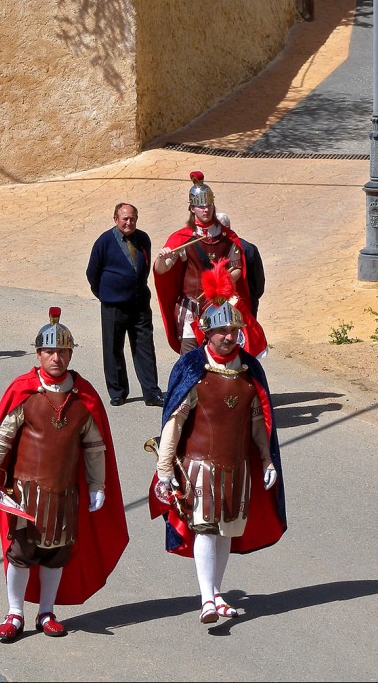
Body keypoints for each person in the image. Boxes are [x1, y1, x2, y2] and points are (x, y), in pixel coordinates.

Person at [147, 259, 286, 624]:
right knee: (206, 529)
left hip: (238, 466)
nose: (228, 336)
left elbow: (260, 421)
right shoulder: (193, 367)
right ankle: (207, 598)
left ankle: (217, 593)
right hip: (199, 467)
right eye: (221, 330)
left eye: (233, 330)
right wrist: (164, 469)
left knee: (226, 531)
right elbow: (174, 421)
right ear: (207, 333)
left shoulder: (250, 370)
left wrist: (267, 460)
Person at [0, 308, 127, 642]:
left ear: (71, 354)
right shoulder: (24, 392)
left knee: (56, 553)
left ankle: (46, 612)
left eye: (63, 351)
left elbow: (94, 447)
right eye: (50, 351)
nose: (56, 357)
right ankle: (14, 612)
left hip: (64, 495)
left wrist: (98, 485)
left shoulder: (83, 397)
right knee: (20, 553)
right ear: (39, 353)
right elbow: (3, 437)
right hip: (25, 494)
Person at [153, 172, 255, 356]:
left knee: (221, 359)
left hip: (219, 307)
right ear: (192, 208)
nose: (205, 210)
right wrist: (162, 257)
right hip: (191, 309)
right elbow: (162, 270)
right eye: (200, 206)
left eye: (208, 205)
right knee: (190, 363)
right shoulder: (183, 238)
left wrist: (221, 281)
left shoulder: (227, 237)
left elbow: (237, 267)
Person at [85, 202, 164, 407]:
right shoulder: (104, 241)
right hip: (113, 305)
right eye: (125, 218)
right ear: (116, 219)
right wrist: (104, 294)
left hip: (139, 304)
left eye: (132, 218)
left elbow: (144, 267)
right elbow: (92, 272)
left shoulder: (143, 238)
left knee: (145, 347)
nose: (129, 222)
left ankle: (151, 392)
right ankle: (118, 391)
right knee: (113, 347)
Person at [216, 212, 265, 318]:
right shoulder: (249, 248)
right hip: (246, 302)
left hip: (226, 305)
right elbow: (258, 284)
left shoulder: (247, 249)